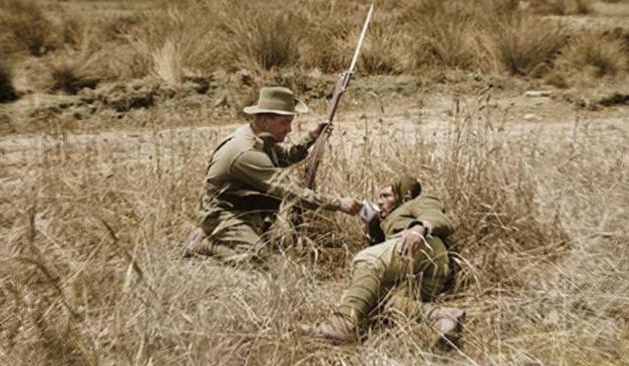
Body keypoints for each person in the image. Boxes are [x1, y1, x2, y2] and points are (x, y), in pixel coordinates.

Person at [183, 86, 362, 264]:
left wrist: (312, 137)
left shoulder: (258, 135)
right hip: (222, 214)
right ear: (265, 120)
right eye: (285, 123)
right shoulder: (246, 151)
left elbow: (283, 157)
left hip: (241, 208)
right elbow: (290, 192)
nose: (290, 129)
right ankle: (203, 244)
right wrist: (338, 204)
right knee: (258, 259)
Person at [302, 176, 466, 347]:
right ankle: (442, 317)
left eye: (386, 196)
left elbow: (435, 216)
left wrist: (419, 229)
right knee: (373, 301)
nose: (380, 202)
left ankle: (340, 326)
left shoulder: (416, 202)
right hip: (416, 270)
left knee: (366, 260)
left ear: (405, 196)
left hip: (423, 248)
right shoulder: (386, 221)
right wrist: (373, 225)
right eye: (379, 197)